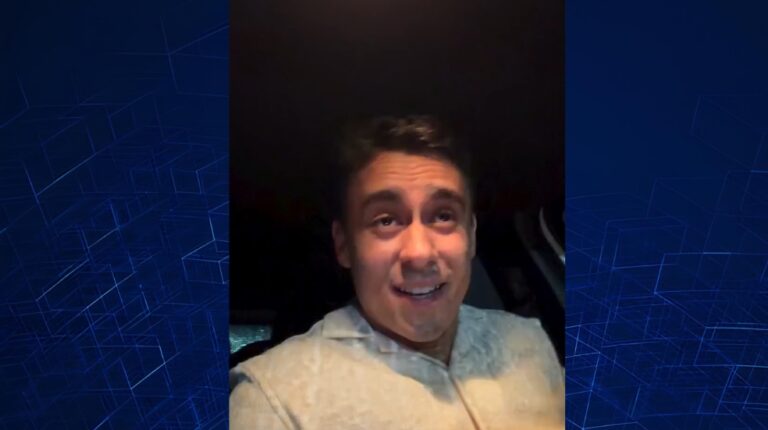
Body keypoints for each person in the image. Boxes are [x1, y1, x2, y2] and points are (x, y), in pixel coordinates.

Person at [229, 116, 565, 430]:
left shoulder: (527, 341)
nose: (419, 254)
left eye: (443, 216)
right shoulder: (273, 398)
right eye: (386, 220)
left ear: (472, 235)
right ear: (344, 245)